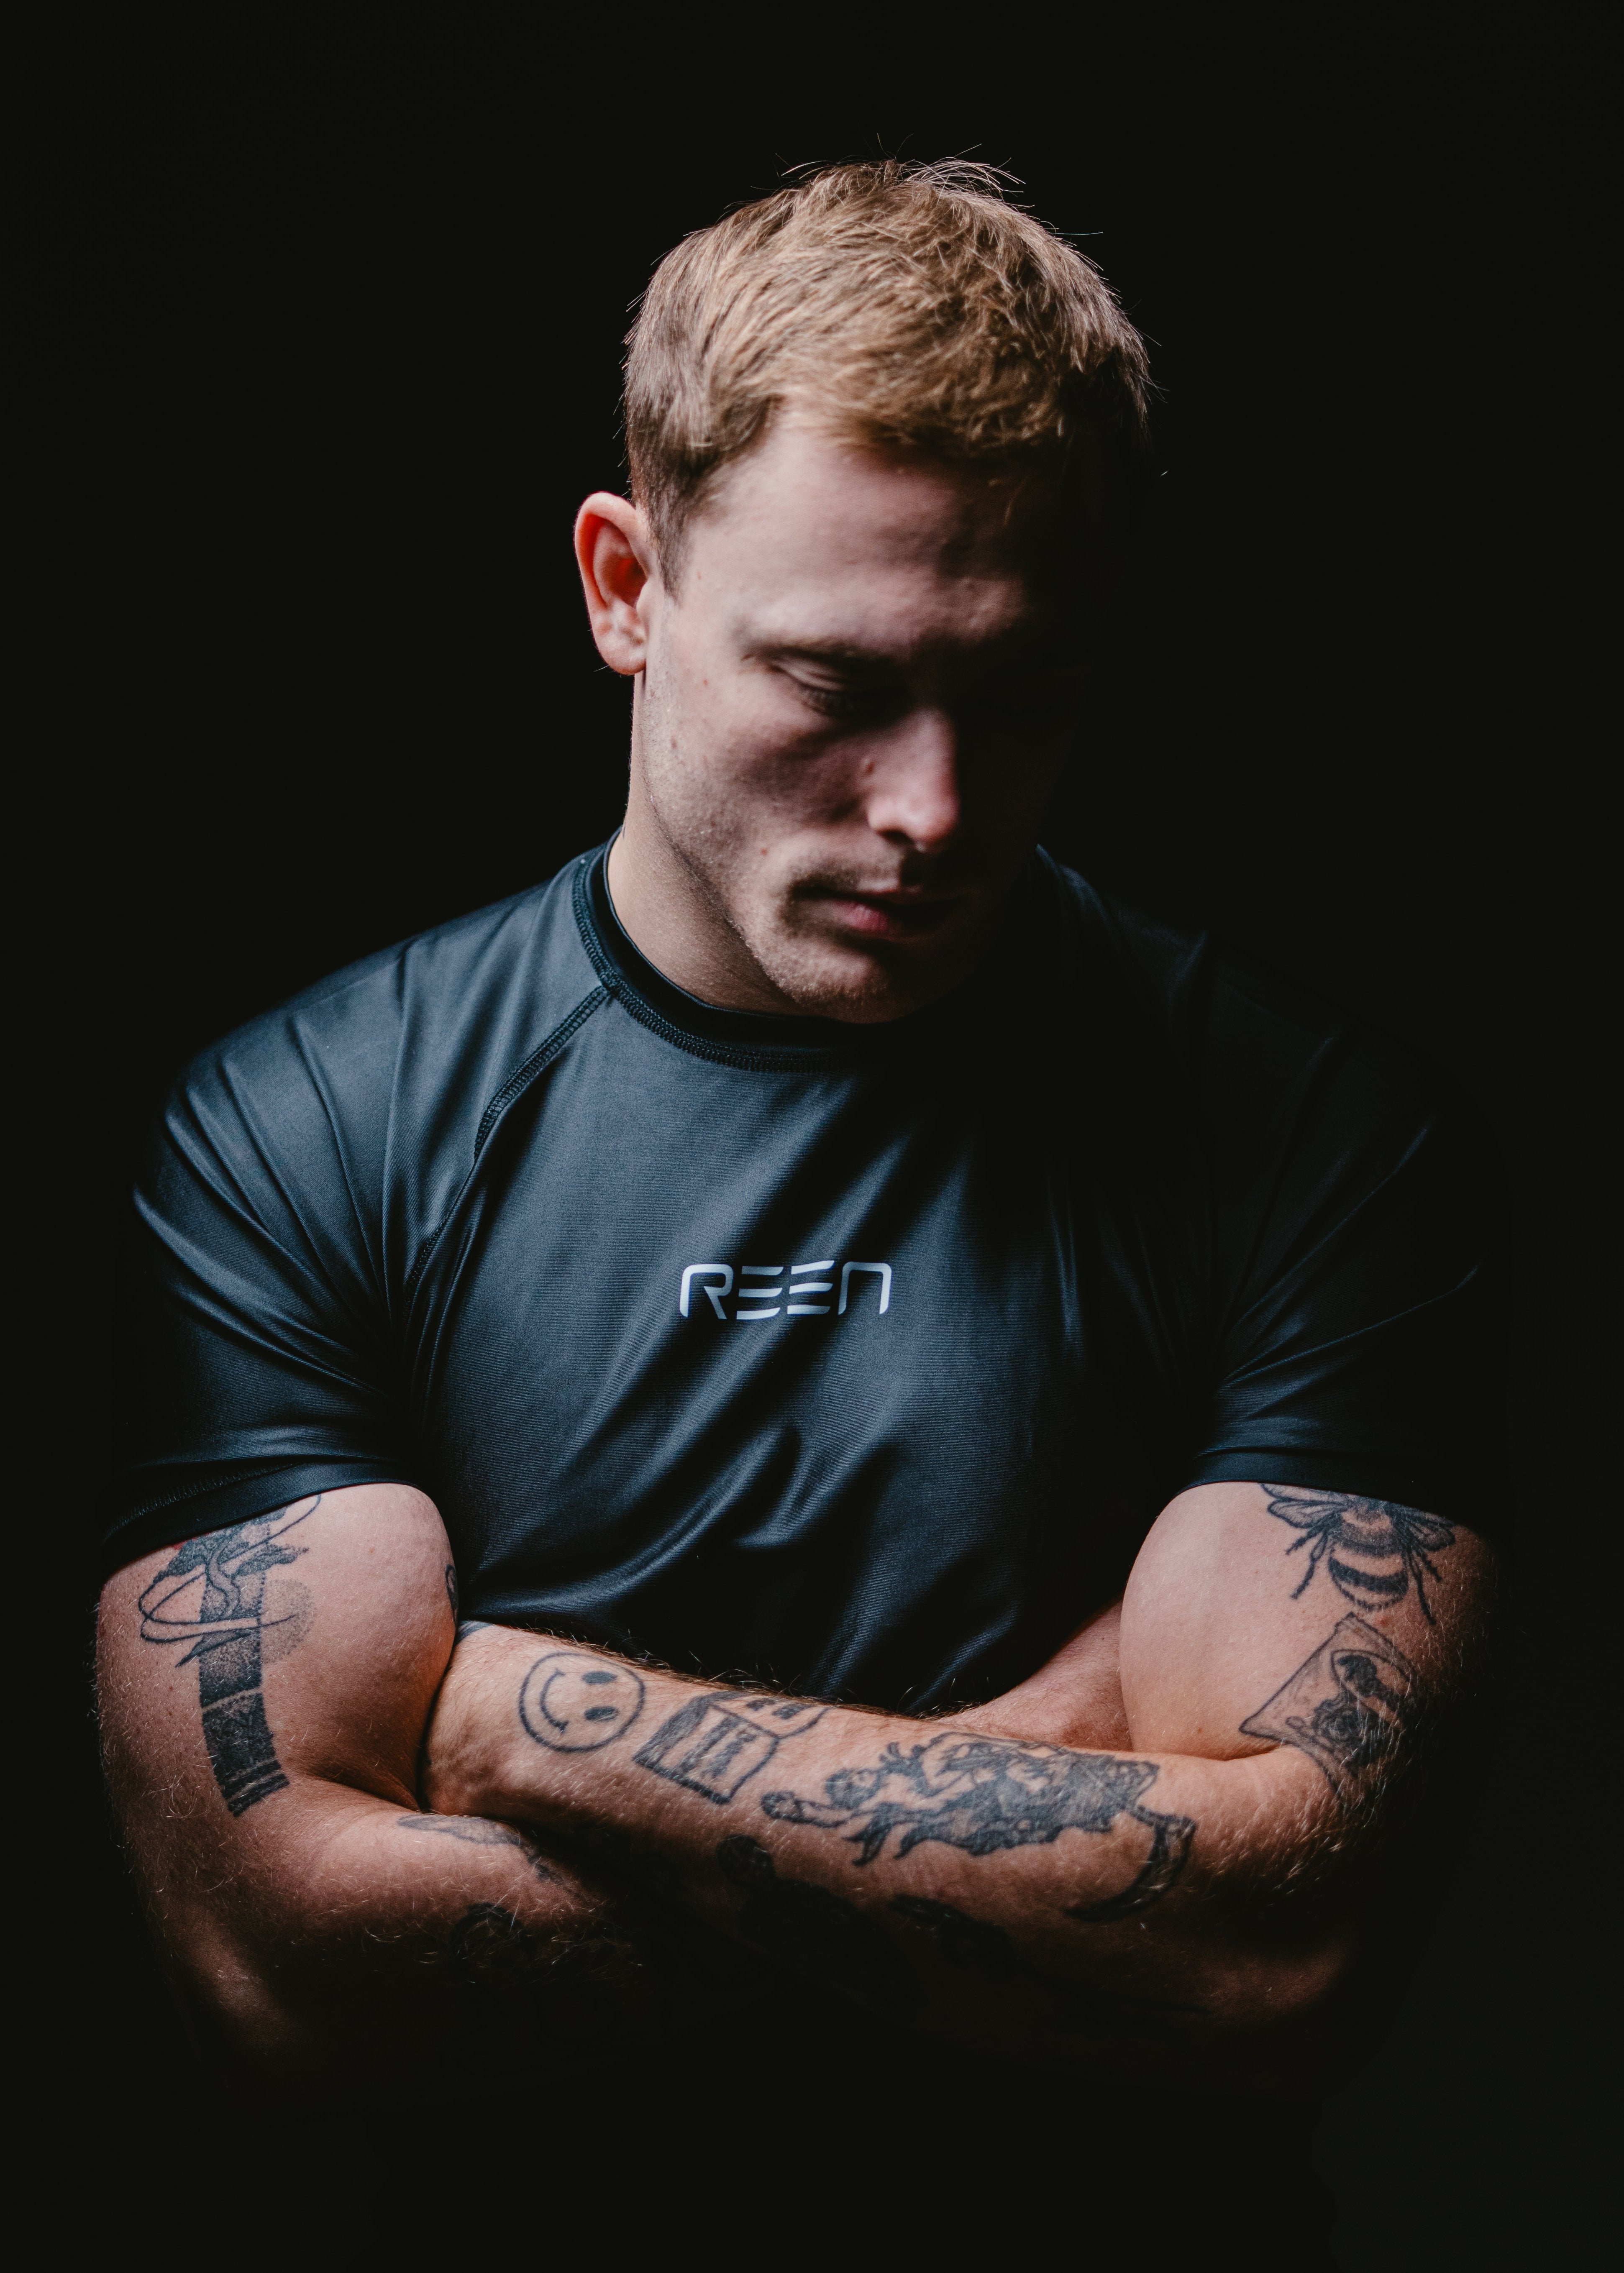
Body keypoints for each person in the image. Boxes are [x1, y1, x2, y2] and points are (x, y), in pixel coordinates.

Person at [97, 162, 1501, 2209]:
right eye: (837, 686)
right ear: (623, 588)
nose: (931, 806)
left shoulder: (1305, 1131)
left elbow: (1265, 1956)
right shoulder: (305, 1130)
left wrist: (529, 1720)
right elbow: (280, 1971)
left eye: (1019, 693)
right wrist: (1054, 1778)